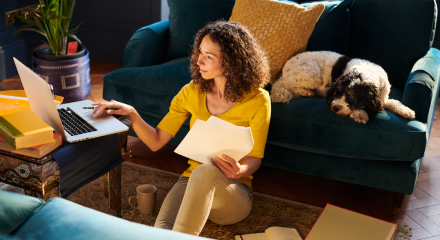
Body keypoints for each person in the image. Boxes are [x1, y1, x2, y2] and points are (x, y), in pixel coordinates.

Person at [92, 20, 271, 236]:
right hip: (190, 180)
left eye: (209, 56)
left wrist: (240, 170)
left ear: (231, 62)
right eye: (200, 52)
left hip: (233, 191)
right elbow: (156, 141)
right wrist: (132, 114)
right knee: (162, 231)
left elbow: (255, 158)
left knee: (206, 171)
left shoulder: (259, 100)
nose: (198, 60)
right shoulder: (191, 92)